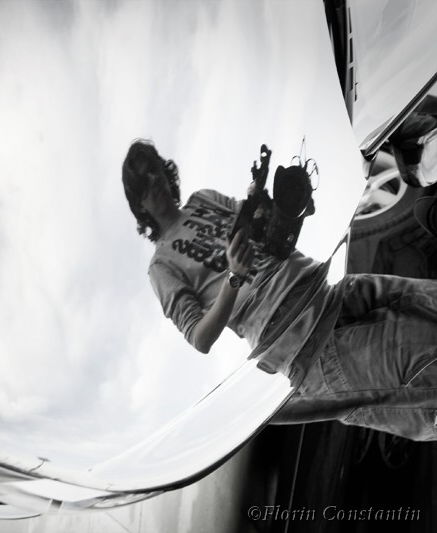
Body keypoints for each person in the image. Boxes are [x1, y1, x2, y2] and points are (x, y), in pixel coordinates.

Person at [122, 139, 437, 441]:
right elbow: (199, 337)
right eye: (144, 180)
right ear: (139, 203)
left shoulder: (203, 199)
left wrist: (289, 210)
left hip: (331, 289)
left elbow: (261, 226)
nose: (154, 179)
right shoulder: (161, 266)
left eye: (155, 169)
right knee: (426, 364)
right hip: (301, 342)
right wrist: (234, 278)